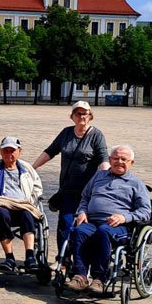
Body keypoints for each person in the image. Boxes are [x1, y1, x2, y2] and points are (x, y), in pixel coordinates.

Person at [67, 145, 151, 294]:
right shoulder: (99, 176)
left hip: (117, 226)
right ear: (110, 160)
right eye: (115, 158)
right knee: (78, 231)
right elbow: (85, 197)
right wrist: (82, 211)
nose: (119, 162)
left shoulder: (136, 184)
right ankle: (80, 276)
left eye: (124, 159)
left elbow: (145, 212)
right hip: (91, 221)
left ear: (131, 162)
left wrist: (124, 217)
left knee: (103, 232)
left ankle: (99, 279)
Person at [31, 101, 109, 246]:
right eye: (78, 114)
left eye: (85, 113)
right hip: (67, 188)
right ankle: (63, 257)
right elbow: (50, 151)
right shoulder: (66, 133)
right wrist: (32, 168)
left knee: (84, 224)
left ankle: (81, 254)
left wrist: (108, 178)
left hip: (88, 191)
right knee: (65, 223)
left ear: (90, 116)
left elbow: (103, 158)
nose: (81, 116)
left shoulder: (96, 135)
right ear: (72, 116)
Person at [0, 136, 43, 271]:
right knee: (1, 214)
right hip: (2, 205)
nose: (9, 154)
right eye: (5, 151)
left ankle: (30, 257)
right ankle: (9, 257)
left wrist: (31, 200)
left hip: (22, 205)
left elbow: (37, 188)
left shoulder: (27, 168)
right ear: (0, 152)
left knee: (27, 214)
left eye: (12, 151)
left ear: (19, 152)